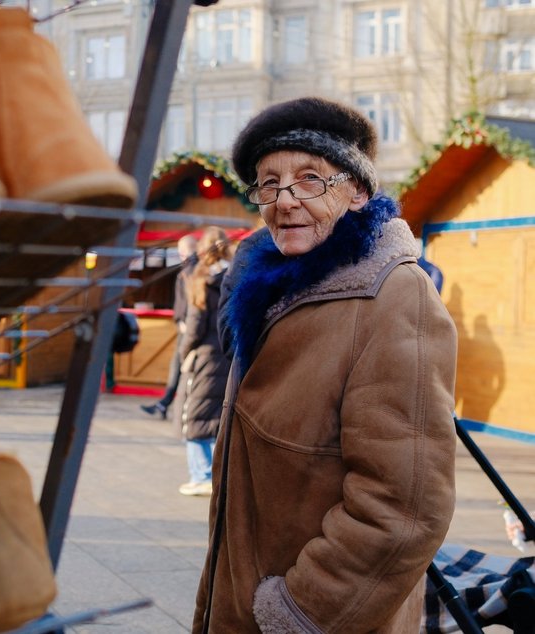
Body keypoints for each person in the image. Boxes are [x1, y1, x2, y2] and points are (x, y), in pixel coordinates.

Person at [192, 97, 458, 632]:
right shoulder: (271, 292)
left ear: (357, 192)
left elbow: (404, 510)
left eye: (310, 179)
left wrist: (298, 611)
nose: (284, 201)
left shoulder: (394, 295)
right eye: (268, 183)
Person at [173, 227, 233, 496]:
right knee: (221, 415)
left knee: (193, 414)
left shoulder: (201, 278)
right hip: (230, 355)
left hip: (206, 355)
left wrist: (184, 353)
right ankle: (218, 474)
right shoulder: (237, 276)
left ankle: (201, 475)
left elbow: (195, 325)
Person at [140, 233, 198, 419]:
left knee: (180, 367)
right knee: (181, 367)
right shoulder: (193, 269)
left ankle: (166, 405)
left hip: (188, 328)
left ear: (182, 251)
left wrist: (183, 322)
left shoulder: (190, 271)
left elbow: (190, 303)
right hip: (189, 326)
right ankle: (165, 404)